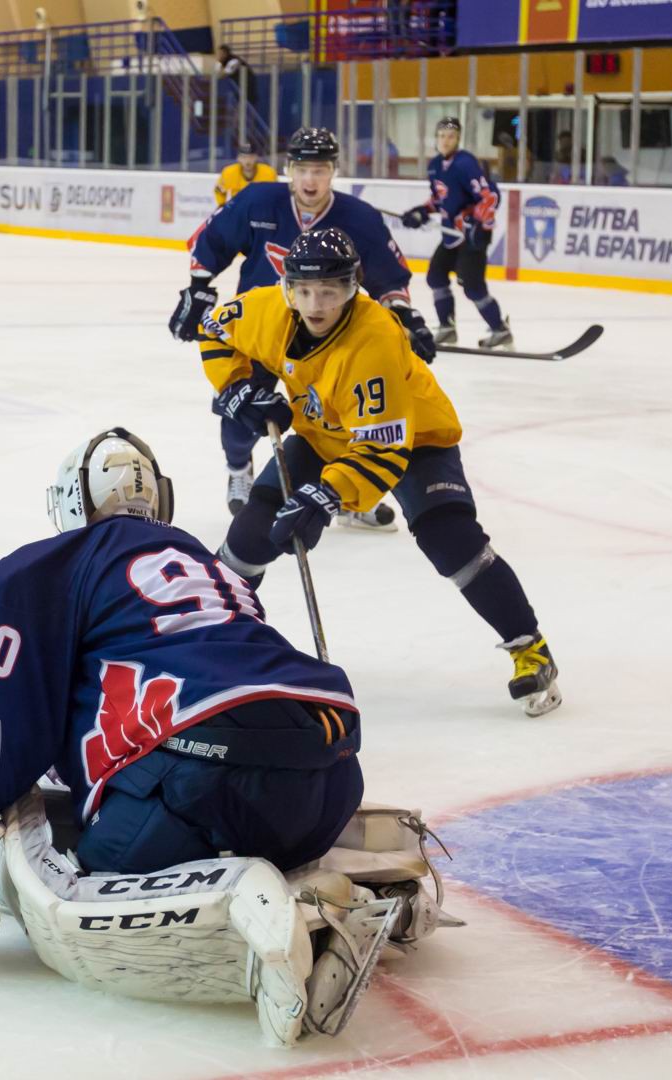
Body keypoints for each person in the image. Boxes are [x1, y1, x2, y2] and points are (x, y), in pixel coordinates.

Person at [0, 430, 450, 1046]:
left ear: (70, 503)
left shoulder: (44, 567)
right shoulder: (203, 563)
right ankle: (376, 894)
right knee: (260, 811)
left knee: (76, 885)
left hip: (194, 773)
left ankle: (276, 921)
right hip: (331, 766)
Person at [201, 228, 561, 717]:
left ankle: (529, 647)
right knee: (253, 531)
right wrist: (240, 387)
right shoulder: (267, 310)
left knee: (450, 540)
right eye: (304, 290)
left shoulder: (373, 342)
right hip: (325, 432)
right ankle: (205, 635)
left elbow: (380, 454)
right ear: (288, 287)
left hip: (414, 439)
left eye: (329, 291)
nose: (315, 304)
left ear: (352, 290)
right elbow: (214, 328)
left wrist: (325, 496)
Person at [170, 126, 432, 528]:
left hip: (331, 337)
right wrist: (199, 288)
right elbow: (212, 240)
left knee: (340, 419)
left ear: (334, 172)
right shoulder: (258, 201)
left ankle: (348, 493)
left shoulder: (358, 218)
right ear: (288, 169)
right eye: (303, 169)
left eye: (321, 170)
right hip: (260, 334)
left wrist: (406, 317)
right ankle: (239, 469)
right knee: (242, 412)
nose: (311, 180)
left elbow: (389, 279)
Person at [399, 116, 511, 349]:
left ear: (457, 139)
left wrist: (479, 225)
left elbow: (489, 197)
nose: (445, 141)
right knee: (436, 277)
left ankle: (500, 330)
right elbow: (440, 200)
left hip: (472, 236)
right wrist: (422, 212)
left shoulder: (465, 163)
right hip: (451, 235)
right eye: (441, 136)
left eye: (450, 136)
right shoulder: (435, 166)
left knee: (472, 286)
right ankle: (447, 328)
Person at [214, 137, 276, 207]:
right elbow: (218, 190)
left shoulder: (268, 173)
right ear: (238, 158)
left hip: (260, 209)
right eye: (244, 157)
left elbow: (275, 194)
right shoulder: (229, 172)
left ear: (257, 157)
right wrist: (222, 205)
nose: (247, 161)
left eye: (251, 157)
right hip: (238, 209)